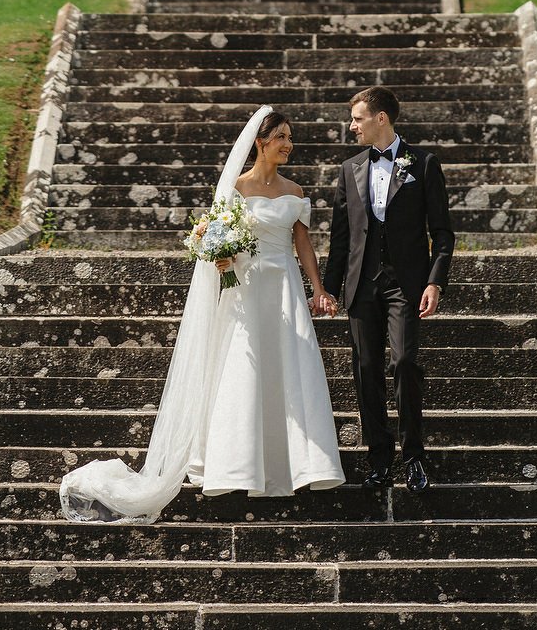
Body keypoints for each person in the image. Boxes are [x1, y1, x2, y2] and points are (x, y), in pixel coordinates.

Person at [59, 106, 345, 523]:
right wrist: (221, 257)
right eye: (282, 137)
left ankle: (298, 465)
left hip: (285, 289)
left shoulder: (295, 191)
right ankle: (236, 465)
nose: (289, 144)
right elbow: (215, 240)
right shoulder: (234, 189)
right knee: (242, 372)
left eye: (290, 137)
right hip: (246, 292)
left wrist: (318, 289)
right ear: (260, 142)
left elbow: (303, 245)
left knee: (292, 368)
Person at [324, 86, 455, 494]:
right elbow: (340, 237)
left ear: (381, 118)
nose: (352, 126)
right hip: (362, 285)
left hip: (406, 285)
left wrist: (435, 280)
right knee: (365, 371)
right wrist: (328, 289)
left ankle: (414, 457)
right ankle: (379, 460)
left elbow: (443, 233)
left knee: (404, 364)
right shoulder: (349, 169)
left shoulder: (425, 164)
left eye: (358, 118)